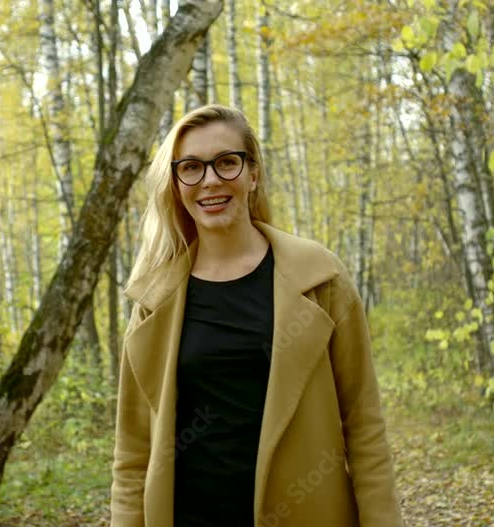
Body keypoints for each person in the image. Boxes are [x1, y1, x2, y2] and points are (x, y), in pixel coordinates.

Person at [111, 104, 402, 527]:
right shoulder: (155, 300)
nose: (210, 180)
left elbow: (364, 427)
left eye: (227, 162)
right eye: (191, 167)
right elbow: (133, 454)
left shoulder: (321, 279)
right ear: (175, 184)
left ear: (253, 173)